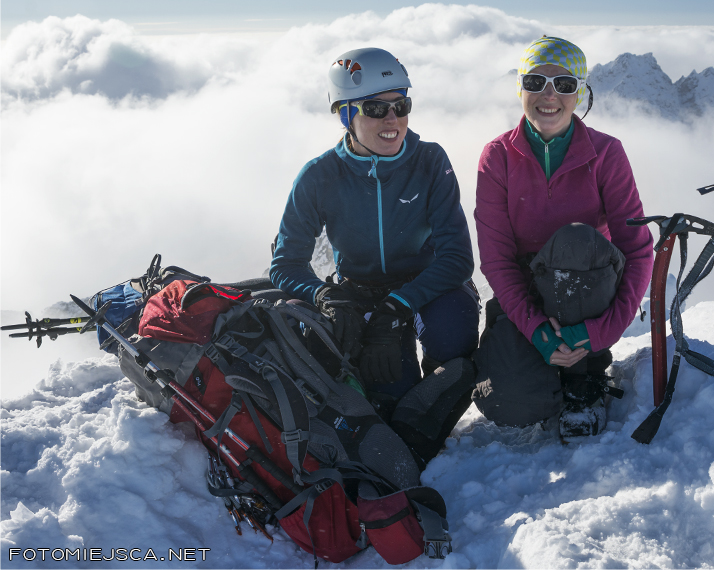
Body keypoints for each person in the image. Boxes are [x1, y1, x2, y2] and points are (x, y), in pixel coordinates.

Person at [270, 47, 480, 427]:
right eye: (376, 108)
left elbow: (458, 258)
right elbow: (285, 264)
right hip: (359, 291)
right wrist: (326, 295)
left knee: (453, 334)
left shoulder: (430, 161)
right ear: (346, 115)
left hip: (427, 285)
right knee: (389, 400)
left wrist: (398, 305)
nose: (393, 119)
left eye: (401, 105)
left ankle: (437, 403)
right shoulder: (319, 176)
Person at [473, 36, 653, 437]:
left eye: (565, 85)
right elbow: (498, 259)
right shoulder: (498, 156)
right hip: (529, 291)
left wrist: (597, 333)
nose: (548, 96)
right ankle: (547, 363)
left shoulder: (606, 154)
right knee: (508, 404)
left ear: (580, 93)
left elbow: (638, 252)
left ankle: (584, 379)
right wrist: (536, 329)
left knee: (573, 240)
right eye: (535, 82)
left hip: (587, 288)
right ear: (520, 89)